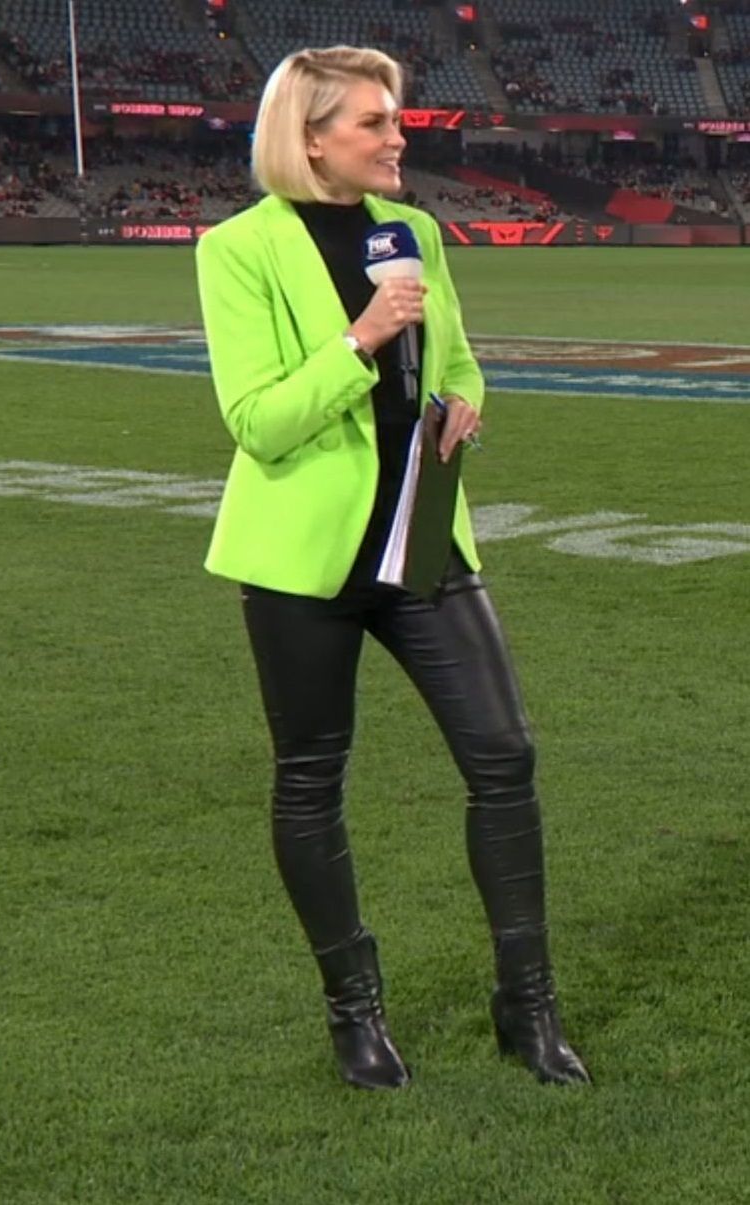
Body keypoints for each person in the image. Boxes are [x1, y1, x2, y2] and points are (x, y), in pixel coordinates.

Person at [196, 45, 591, 1090]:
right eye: (373, 121)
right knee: (311, 777)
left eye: (394, 117)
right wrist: (359, 340)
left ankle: (527, 1005)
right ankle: (355, 1017)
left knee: (503, 755)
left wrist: (465, 400)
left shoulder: (410, 231)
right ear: (310, 136)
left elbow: (455, 356)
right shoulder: (236, 249)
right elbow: (257, 422)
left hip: (421, 538)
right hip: (304, 560)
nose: (396, 135)